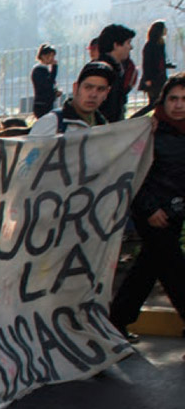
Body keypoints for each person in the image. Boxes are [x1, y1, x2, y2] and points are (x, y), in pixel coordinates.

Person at [108, 74, 185, 342]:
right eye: (173, 98)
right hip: (151, 213)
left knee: (148, 268)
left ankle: (116, 322)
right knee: (176, 271)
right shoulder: (150, 130)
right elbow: (136, 174)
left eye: (184, 99)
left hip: (175, 213)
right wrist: (150, 209)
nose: (178, 105)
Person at [30, 61, 113, 135]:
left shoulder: (105, 128)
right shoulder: (51, 123)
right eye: (88, 87)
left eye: (100, 89)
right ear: (75, 88)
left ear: (106, 93)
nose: (93, 94)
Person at [94, 23, 136, 123]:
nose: (131, 47)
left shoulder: (117, 69)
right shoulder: (102, 71)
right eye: (128, 42)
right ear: (116, 45)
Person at [140, 21, 175, 108]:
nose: (166, 30)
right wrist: (148, 79)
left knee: (161, 102)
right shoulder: (150, 45)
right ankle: (134, 118)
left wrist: (168, 65)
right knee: (153, 104)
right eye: (164, 28)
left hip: (161, 77)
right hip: (153, 79)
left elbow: (160, 62)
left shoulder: (161, 44)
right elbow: (147, 63)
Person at [31, 44, 60, 118]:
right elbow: (47, 84)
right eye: (50, 55)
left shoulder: (45, 70)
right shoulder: (39, 70)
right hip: (42, 105)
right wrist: (54, 69)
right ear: (43, 56)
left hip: (48, 104)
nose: (52, 58)